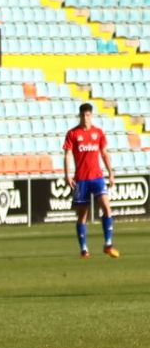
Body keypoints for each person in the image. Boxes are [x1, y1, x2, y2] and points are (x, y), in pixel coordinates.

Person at [64, 102, 119, 259]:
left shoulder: (98, 133)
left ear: (91, 116)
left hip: (97, 177)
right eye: (82, 115)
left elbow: (104, 153)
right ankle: (84, 249)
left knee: (107, 208)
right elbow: (67, 154)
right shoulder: (73, 134)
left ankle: (108, 244)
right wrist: (68, 174)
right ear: (79, 116)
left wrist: (110, 173)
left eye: (88, 115)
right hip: (81, 180)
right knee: (82, 216)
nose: (85, 118)